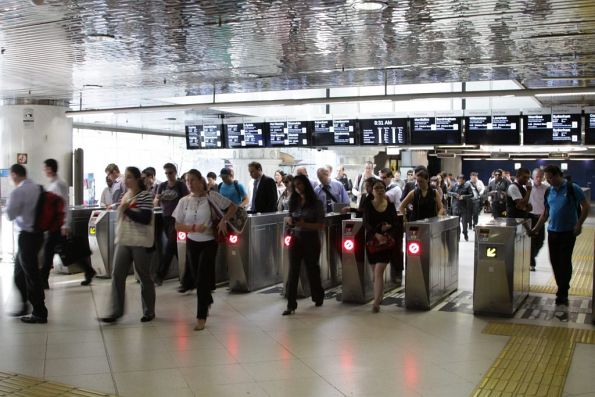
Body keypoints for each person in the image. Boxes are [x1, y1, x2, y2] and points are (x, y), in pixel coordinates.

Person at [172, 170, 237, 330]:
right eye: (187, 181)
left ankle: (201, 316)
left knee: (201, 278)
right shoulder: (183, 201)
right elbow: (177, 225)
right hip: (192, 242)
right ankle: (207, 299)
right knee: (196, 276)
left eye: (193, 180)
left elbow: (232, 207)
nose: (190, 183)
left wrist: (223, 220)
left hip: (209, 242)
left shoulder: (212, 197)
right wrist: (193, 228)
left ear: (201, 181)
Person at [100, 167, 156, 323]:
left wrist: (126, 211)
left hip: (139, 241)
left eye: (130, 177)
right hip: (124, 240)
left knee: (144, 276)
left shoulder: (144, 196)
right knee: (117, 274)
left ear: (138, 179)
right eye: (126, 177)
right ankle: (116, 311)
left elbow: (145, 218)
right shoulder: (126, 196)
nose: (127, 180)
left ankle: (148, 310)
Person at [531, 165, 589, 308]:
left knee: (564, 261)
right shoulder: (549, 191)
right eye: (547, 178)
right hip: (553, 232)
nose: (548, 180)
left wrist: (579, 224)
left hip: (568, 232)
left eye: (550, 177)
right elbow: (545, 213)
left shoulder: (572, 188)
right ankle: (561, 286)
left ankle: (562, 292)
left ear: (559, 175)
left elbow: (586, 206)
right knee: (555, 262)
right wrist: (536, 228)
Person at [40, 159, 96, 288]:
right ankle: (88, 270)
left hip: (58, 226)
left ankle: (43, 280)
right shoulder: (54, 184)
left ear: (50, 169)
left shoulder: (58, 184)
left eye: (45, 168)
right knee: (68, 251)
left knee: (53, 251)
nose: (44, 171)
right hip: (55, 225)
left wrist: (65, 224)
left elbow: (63, 205)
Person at [5, 164, 49, 323]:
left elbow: (10, 215)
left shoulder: (18, 192)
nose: (10, 179)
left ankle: (39, 312)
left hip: (26, 237)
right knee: (19, 273)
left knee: (31, 275)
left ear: (15, 174)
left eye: (10, 176)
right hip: (38, 235)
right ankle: (24, 304)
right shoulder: (38, 188)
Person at [283, 174, 325, 315]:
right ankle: (291, 304)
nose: (298, 187)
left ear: (306, 184)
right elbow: (290, 214)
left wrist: (304, 224)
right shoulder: (293, 201)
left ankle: (318, 296)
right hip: (295, 237)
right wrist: (289, 219)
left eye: (300, 184)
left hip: (310, 239)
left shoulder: (316, 203)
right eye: (295, 185)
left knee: (312, 268)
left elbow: (320, 225)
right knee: (293, 271)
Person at [364, 180, 399, 312]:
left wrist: (388, 231)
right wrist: (376, 235)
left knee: (378, 271)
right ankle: (380, 294)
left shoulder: (390, 206)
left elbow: (395, 223)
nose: (379, 190)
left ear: (385, 190)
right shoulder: (368, 205)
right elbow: (366, 223)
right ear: (372, 191)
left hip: (386, 243)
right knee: (375, 273)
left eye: (381, 188)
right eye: (376, 188)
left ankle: (376, 302)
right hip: (372, 242)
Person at [154, 163, 189, 285]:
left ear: (175, 172)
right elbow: (156, 201)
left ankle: (160, 275)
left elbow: (186, 201)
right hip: (166, 218)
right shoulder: (162, 186)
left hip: (177, 219)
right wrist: (157, 200)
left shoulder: (181, 185)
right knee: (175, 248)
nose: (168, 175)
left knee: (170, 247)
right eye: (166, 173)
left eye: (170, 172)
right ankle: (187, 276)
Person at [528, 168, 548, 271]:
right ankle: (531, 262)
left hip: (541, 218)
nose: (539, 179)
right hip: (530, 217)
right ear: (533, 177)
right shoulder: (527, 187)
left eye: (541, 177)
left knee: (541, 240)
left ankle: (532, 256)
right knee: (531, 241)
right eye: (537, 177)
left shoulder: (546, 188)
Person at [449, 174, 473, 241]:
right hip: (455, 207)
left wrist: (464, 196)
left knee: (464, 223)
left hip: (464, 207)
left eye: (461, 180)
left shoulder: (467, 186)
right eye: (458, 180)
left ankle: (465, 234)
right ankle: (458, 236)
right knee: (456, 223)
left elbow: (472, 194)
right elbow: (448, 192)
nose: (459, 182)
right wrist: (454, 194)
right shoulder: (454, 185)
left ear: (464, 180)